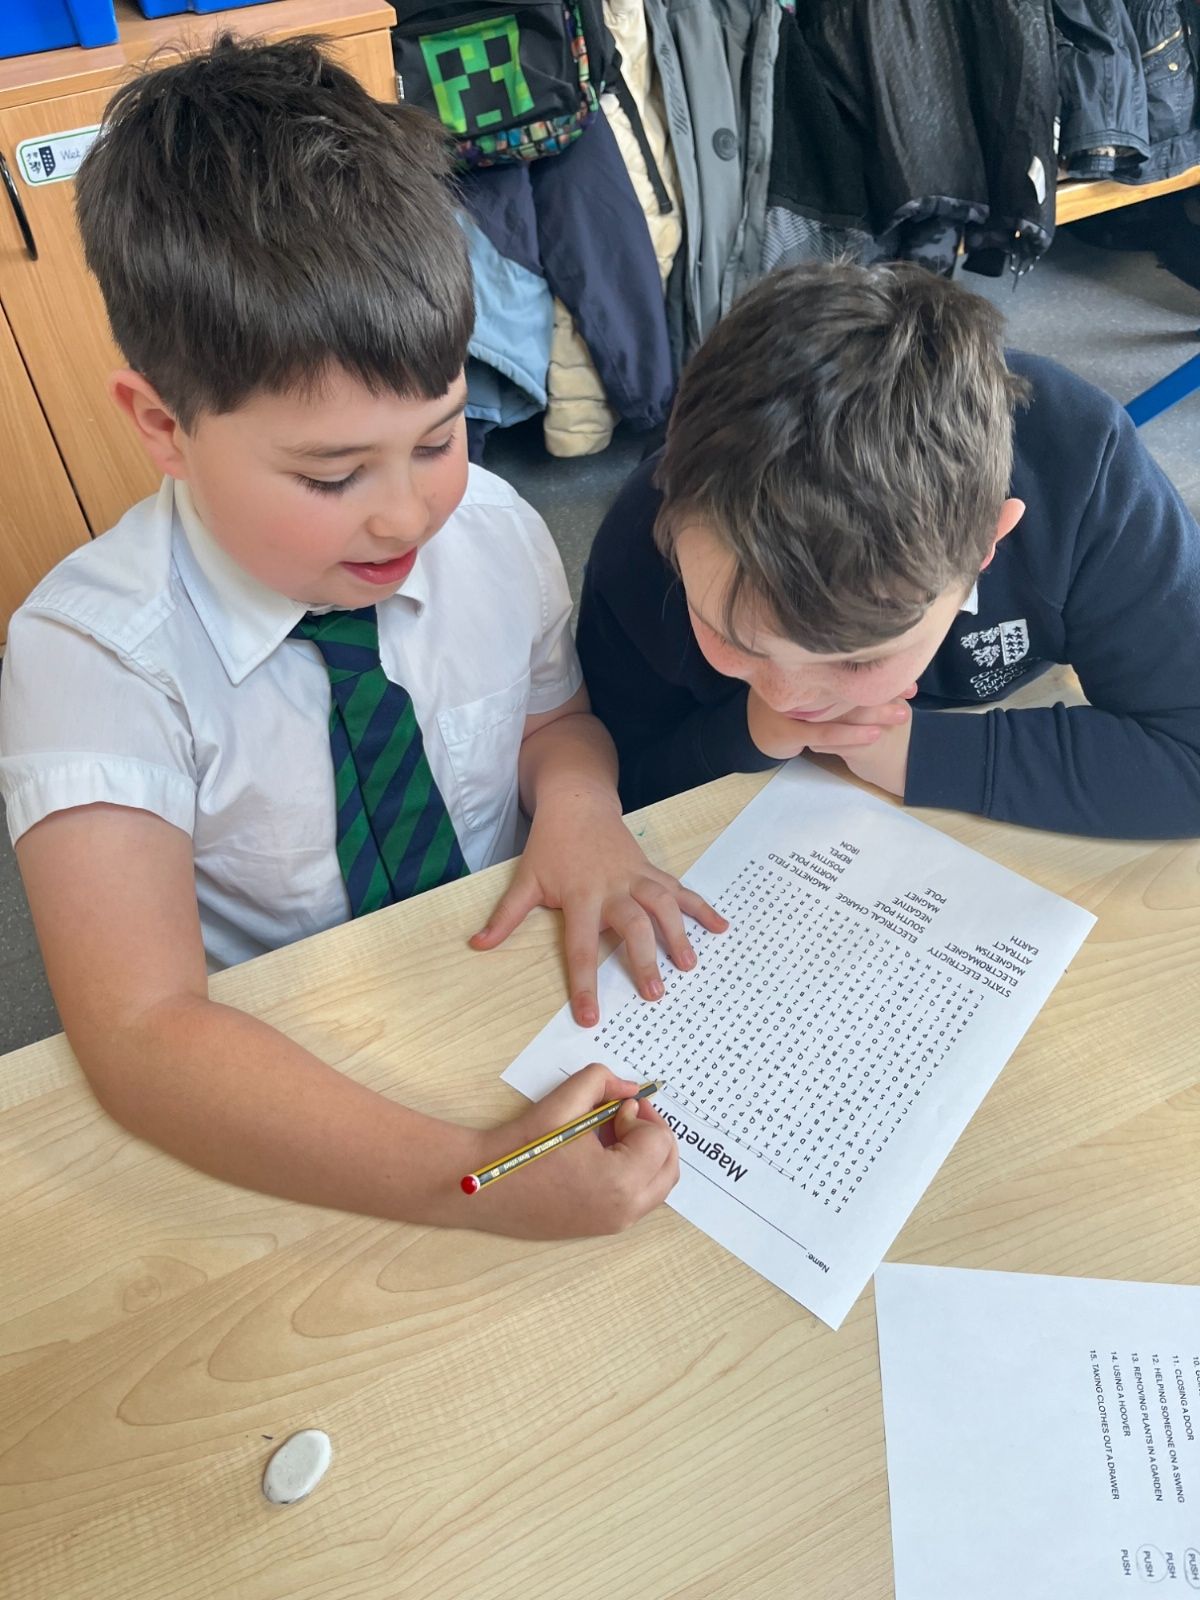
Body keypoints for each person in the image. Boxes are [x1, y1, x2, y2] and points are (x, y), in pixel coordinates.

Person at [0, 37, 723, 1239]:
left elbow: (553, 720)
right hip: (282, 1072)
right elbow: (139, 1030)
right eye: (332, 475)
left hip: (497, 989)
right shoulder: (90, 655)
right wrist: (474, 1181)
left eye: (440, 437)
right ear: (162, 426)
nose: (406, 515)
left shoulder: (491, 530)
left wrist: (579, 802)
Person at [577, 260, 1200, 838]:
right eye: (730, 636)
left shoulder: (1080, 471)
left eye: (857, 661)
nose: (789, 698)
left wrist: (918, 754)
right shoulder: (647, 536)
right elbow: (615, 778)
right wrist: (743, 732)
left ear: (987, 546)